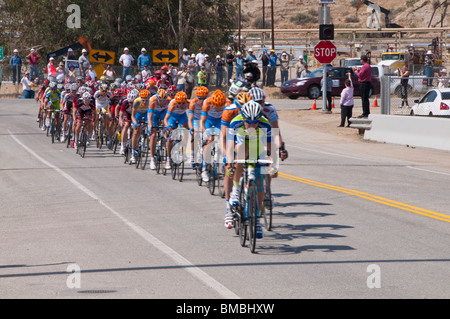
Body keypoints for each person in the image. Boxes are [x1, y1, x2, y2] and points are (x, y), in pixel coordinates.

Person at [227, 101, 272, 239]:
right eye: (248, 122)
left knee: (259, 185)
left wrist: (270, 163)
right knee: (241, 153)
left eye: (255, 122)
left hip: (257, 147)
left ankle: (257, 220)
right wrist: (229, 163)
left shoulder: (265, 124)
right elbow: (230, 146)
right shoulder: (235, 123)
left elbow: (269, 148)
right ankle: (235, 191)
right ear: (243, 118)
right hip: (241, 145)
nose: (252, 125)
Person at [163, 91, 190, 169]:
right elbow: (166, 119)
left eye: (183, 103)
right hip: (172, 117)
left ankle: (183, 151)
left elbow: (194, 115)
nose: (181, 105)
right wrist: (168, 126)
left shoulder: (189, 103)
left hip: (182, 116)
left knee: (185, 130)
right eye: (179, 103)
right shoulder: (173, 104)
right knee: (171, 137)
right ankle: (168, 158)